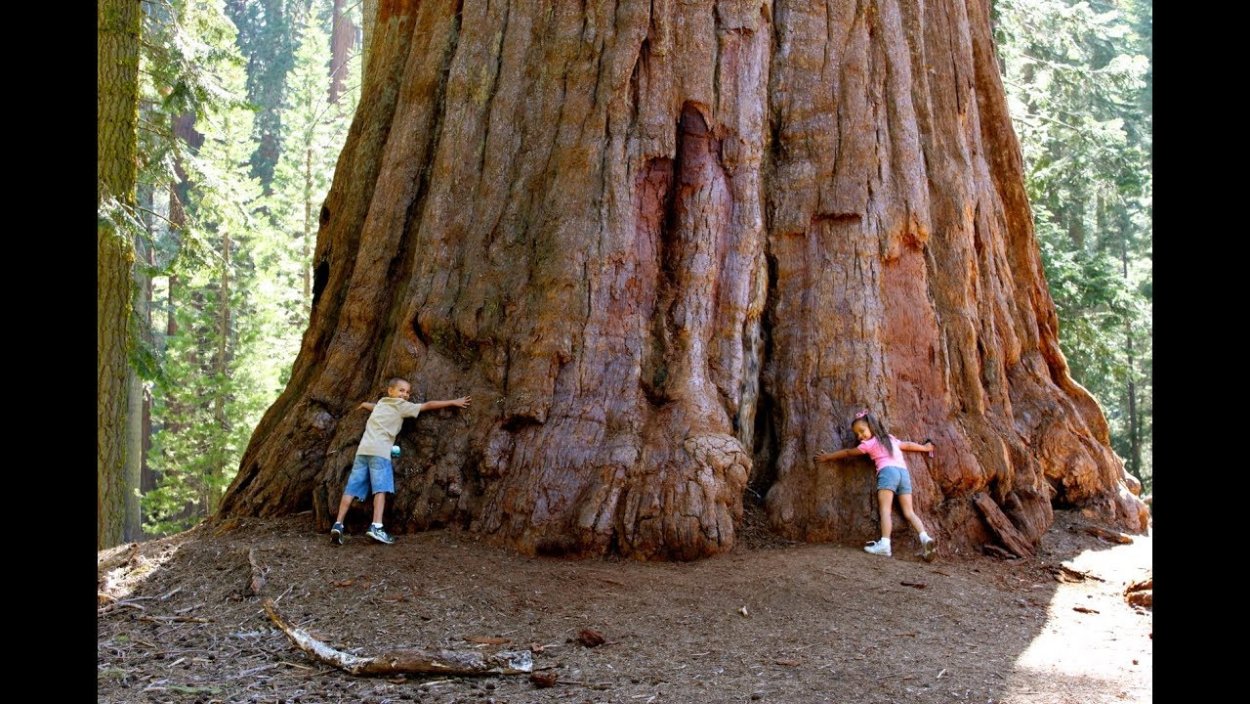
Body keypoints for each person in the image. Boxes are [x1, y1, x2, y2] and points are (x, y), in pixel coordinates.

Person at [330, 377, 471, 545]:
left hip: (363, 451)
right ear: (390, 391)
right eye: (401, 390)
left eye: (408, 392)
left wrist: (363, 404)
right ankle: (376, 526)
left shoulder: (382, 403)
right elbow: (428, 405)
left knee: (351, 489)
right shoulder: (402, 407)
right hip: (380, 453)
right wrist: (453, 402)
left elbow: (373, 407)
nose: (405, 395)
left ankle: (338, 524)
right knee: (380, 489)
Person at [814, 409, 937, 559]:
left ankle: (885, 544)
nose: (860, 436)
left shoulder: (868, 444)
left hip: (888, 473)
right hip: (903, 474)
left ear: (871, 426)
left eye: (862, 431)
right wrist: (925, 448)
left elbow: (847, 453)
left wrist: (828, 457)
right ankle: (925, 538)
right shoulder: (890, 438)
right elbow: (907, 445)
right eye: (857, 434)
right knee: (909, 512)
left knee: (885, 510)